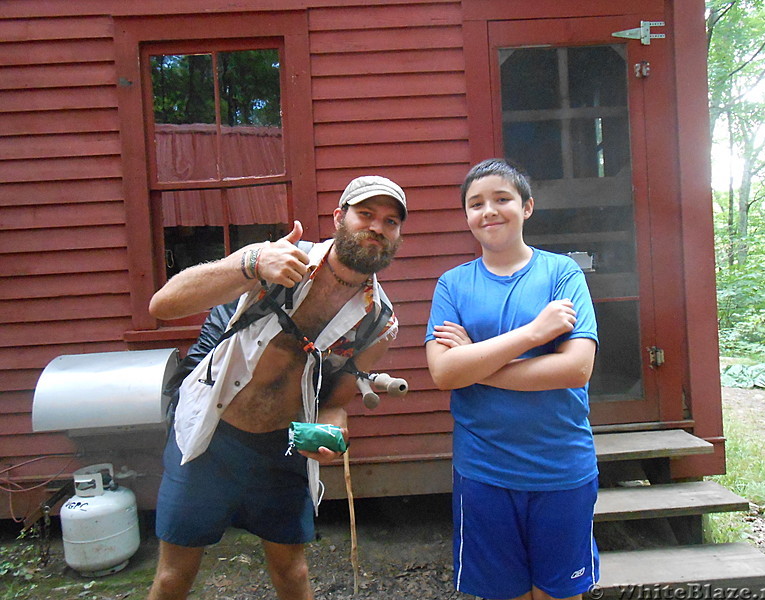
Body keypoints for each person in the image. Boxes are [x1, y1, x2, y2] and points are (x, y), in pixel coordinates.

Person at [147, 175, 407, 600]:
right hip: (210, 432)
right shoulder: (277, 261)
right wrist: (249, 263)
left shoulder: (379, 321)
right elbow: (163, 305)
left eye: (390, 221)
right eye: (366, 214)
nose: (377, 227)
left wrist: (333, 427)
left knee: (292, 572)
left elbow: (339, 396)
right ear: (339, 218)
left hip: (283, 446)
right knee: (174, 576)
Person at [425, 158, 600, 600]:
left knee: (559, 594)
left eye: (502, 199)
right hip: (484, 472)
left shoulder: (562, 273)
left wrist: (476, 364)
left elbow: (575, 368)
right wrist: (534, 334)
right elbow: (444, 372)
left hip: (562, 468)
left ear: (527, 207)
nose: (489, 211)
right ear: (466, 216)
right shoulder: (452, 284)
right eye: (475, 203)